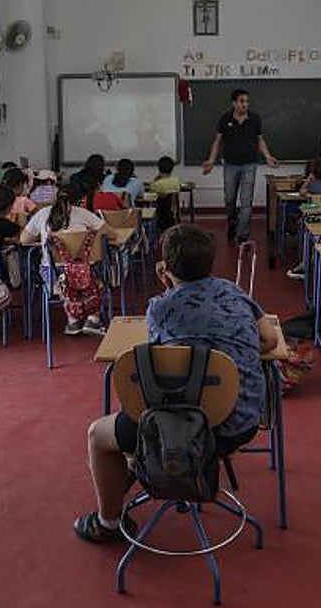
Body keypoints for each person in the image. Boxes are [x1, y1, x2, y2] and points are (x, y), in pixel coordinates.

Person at [73, 224, 278, 543]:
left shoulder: (161, 308)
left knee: (98, 434)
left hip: (177, 428)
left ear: (164, 269)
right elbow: (268, 339)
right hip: (239, 422)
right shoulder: (234, 293)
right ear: (211, 263)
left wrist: (167, 287)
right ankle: (141, 466)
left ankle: (108, 523)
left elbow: (165, 359)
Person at [20, 183, 109, 336]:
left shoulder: (43, 213)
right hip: (87, 276)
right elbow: (110, 234)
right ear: (81, 200)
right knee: (94, 268)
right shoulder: (85, 214)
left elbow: (24, 239)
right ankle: (93, 318)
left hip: (54, 278)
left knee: (60, 270)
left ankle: (73, 320)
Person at [201, 89, 279, 244]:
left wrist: (267, 156)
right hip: (230, 165)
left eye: (247, 101)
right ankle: (232, 222)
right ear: (234, 103)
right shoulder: (225, 118)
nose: (245, 104)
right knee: (229, 199)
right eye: (242, 101)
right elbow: (217, 141)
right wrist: (211, 160)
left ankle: (242, 234)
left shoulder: (255, 119)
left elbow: (260, 140)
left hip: (249, 165)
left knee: (246, 201)